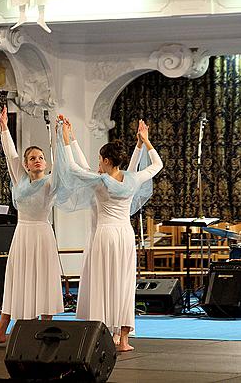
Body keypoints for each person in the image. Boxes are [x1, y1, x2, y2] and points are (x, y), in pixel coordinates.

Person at [57, 117, 163, 352]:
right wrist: (145, 142)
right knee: (124, 283)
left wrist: (65, 140)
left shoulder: (99, 181)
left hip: (105, 235)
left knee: (102, 283)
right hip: (125, 235)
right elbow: (157, 166)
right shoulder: (132, 179)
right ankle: (124, 340)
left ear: (106, 160)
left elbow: (75, 168)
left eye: (99, 159)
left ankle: (100, 333)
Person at [0, 106, 69, 348]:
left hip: (42, 234)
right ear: (27, 165)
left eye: (41, 157)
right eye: (33, 158)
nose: (38, 160)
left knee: (44, 279)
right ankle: (1, 332)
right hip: (22, 234)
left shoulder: (51, 182)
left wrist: (60, 135)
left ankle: (45, 329)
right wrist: (3, 127)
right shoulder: (19, 179)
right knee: (15, 281)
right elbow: (10, 153)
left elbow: (63, 164)